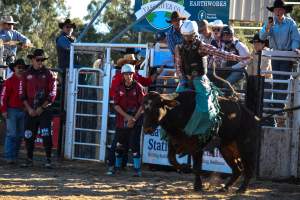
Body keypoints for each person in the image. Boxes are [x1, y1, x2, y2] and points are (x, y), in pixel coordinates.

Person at [174, 20, 247, 142]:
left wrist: (237, 57)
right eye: (184, 36)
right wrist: (182, 79)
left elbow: (219, 52)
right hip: (185, 79)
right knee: (174, 103)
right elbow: (178, 65)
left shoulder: (202, 46)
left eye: (189, 35)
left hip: (200, 79)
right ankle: (174, 132)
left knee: (205, 109)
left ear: (194, 34)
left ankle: (201, 133)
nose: (186, 38)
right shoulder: (179, 47)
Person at [20, 49, 57, 168]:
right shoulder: (26, 74)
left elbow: (53, 93)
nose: (40, 62)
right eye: (38, 60)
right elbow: (22, 93)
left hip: (44, 110)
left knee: (46, 134)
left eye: (42, 60)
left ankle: (48, 159)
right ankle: (29, 159)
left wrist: (42, 107)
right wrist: (29, 109)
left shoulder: (49, 74)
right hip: (30, 109)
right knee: (28, 134)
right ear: (32, 60)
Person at [259, 0, 300, 108]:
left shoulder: (291, 23)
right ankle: (277, 103)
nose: (278, 11)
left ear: (284, 11)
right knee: (277, 78)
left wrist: (294, 49)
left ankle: (279, 104)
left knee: (283, 80)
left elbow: (295, 38)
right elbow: (262, 37)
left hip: (287, 55)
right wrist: (268, 27)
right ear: (273, 11)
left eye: (280, 9)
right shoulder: (270, 23)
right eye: (276, 9)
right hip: (276, 55)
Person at [112, 64, 145, 177]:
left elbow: (142, 105)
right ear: (123, 75)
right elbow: (116, 105)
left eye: (130, 74)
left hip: (136, 119)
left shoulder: (139, 87)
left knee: (134, 144)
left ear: (133, 74)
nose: (128, 76)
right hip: (122, 119)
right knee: (119, 144)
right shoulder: (119, 88)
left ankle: (137, 170)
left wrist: (134, 118)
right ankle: (117, 167)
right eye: (126, 74)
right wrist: (127, 117)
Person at [0, 59, 28, 164]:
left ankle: (14, 155)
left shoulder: (26, 81)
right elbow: (3, 97)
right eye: (18, 67)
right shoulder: (9, 81)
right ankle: (9, 156)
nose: (21, 69)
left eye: (22, 67)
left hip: (23, 110)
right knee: (12, 134)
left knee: (20, 134)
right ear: (14, 68)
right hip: (11, 110)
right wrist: (3, 110)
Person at [248, 33, 275, 126]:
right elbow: (250, 66)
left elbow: (265, 67)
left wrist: (255, 76)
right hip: (256, 80)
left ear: (263, 44)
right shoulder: (253, 52)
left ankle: (271, 124)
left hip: (266, 82)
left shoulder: (267, 53)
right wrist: (250, 77)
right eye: (254, 43)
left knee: (266, 104)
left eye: (257, 43)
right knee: (256, 103)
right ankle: (258, 123)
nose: (255, 45)